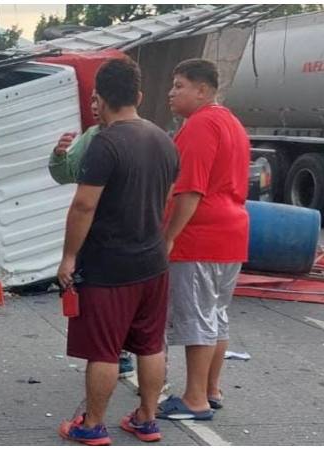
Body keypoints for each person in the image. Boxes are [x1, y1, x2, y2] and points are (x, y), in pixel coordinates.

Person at [56, 58, 179, 445]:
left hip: (110, 266)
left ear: (99, 97)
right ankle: (147, 419)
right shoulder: (164, 140)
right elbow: (167, 196)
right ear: (138, 96)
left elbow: (83, 206)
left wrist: (69, 257)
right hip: (153, 262)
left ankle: (92, 425)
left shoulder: (105, 143)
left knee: (104, 350)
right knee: (150, 344)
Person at [156, 59, 250, 421]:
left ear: (202, 90)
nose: (171, 92)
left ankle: (194, 398)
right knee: (215, 314)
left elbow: (190, 190)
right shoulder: (232, 123)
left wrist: (169, 236)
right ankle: (211, 388)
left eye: (179, 85)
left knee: (196, 316)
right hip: (231, 234)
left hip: (201, 236)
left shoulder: (200, 125)